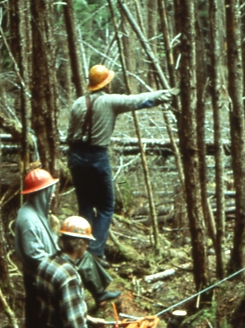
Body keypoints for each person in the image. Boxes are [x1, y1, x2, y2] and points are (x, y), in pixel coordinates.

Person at [66, 64, 177, 261]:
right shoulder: (111, 101)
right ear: (106, 84)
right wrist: (170, 93)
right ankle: (95, 253)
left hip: (75, 156)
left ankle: (80, 252)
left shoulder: (77, 103)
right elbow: (140, 100)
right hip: (96, 157)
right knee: (107, 207)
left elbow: (69, 133)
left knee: (85, 207)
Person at [13, 169, 120, 328]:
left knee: (86, 256)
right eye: (50, 190)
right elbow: (34, 256)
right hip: (40, 275)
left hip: (51, 267)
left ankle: (100, 292)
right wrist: (58, 266)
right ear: (40, 192)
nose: (53, 194)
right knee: (41, 318)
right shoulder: (27, 219)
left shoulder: (39, 213)